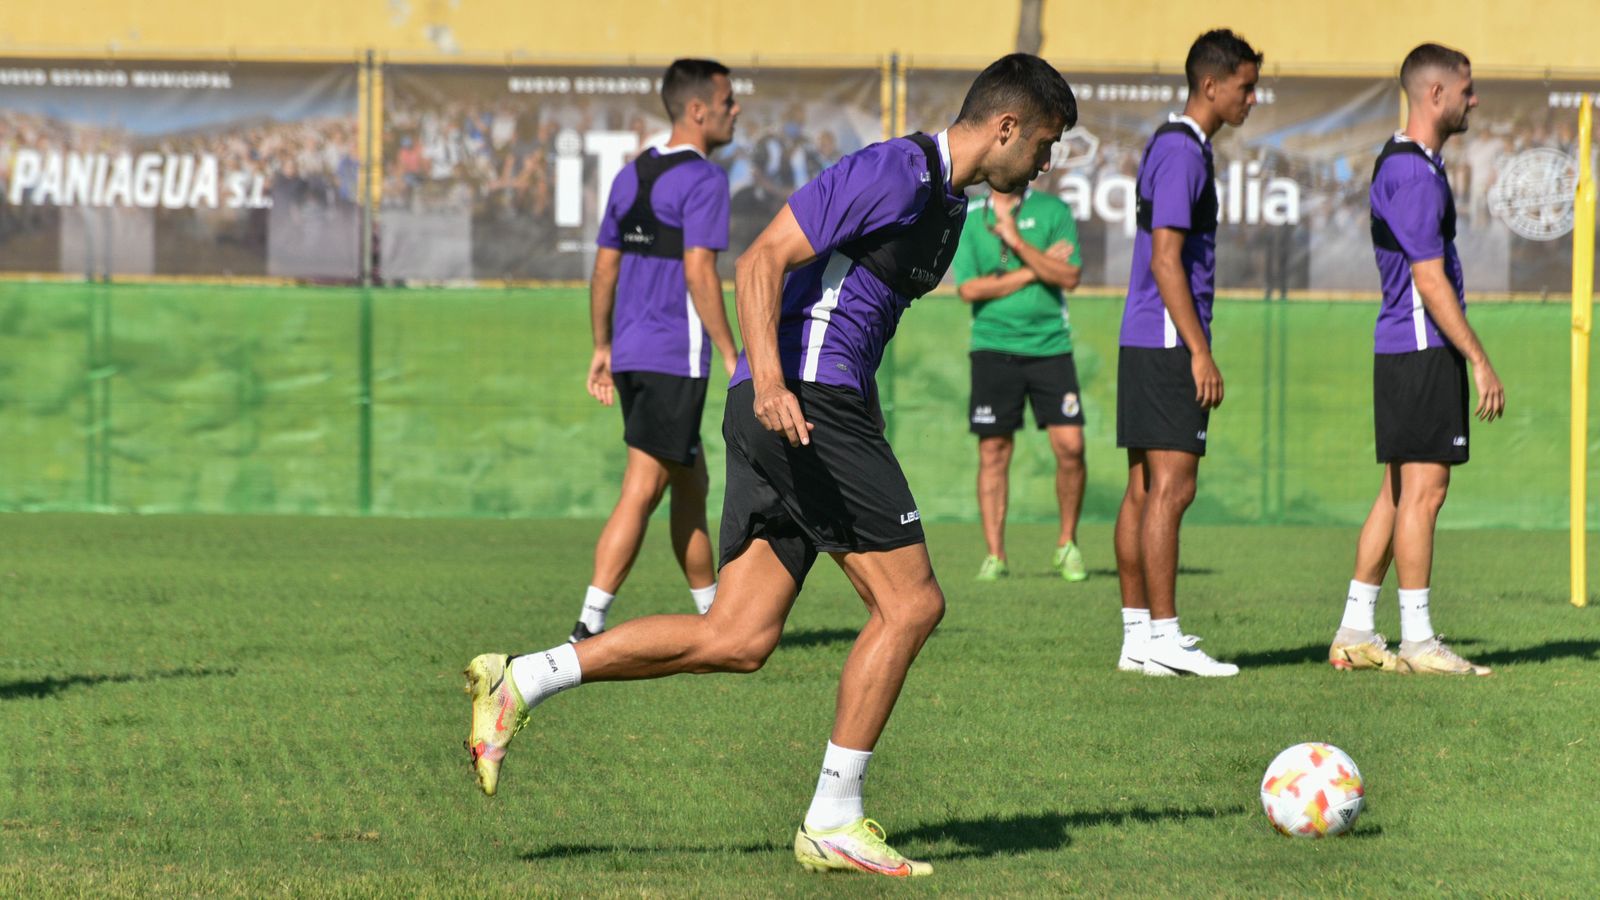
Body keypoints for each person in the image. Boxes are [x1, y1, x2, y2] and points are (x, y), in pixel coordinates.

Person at [464, 54, 1078, 878]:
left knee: (740, 635)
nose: (1046, 162)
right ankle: (834, 815)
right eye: (1043, 144)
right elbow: (760, 260)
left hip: (819, 403)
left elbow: (853, 304)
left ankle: (523, 680)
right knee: (911, 604)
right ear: (1005, 127)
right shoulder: (897, 169)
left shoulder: (952, 203)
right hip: (800, 405)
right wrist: (776, 383)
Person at [1327, 43, 1503, 676]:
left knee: (1398, 493)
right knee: (1425, 492)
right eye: (1466, 88)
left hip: (1411, 346)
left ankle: (1354, 630)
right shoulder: (1410, 170)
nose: (1472, 100)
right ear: (1436, 95)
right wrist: (1479, 359)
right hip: (1422, 346)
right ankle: (1420, 643)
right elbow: (1430, 281)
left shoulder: (1415, 165)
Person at [568, 59, 741, 643]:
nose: (735, 110)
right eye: (728, 101)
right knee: (644, 484)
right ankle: (586, 625)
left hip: (634, 354)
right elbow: (699, 270)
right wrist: (732, 353)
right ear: (698, 110)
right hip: (675, 355)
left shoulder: (631, 174)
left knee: (690, 482)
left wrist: (602, 347)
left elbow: (604, 267)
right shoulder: (706, 179)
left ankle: (716, 616)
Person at [1113, 30, 1261, 677]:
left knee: (1145, 490)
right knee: (1171, 488)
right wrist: (1200, 352)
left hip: (1144, 336)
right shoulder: (1184, 153)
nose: (1252, 98)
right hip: (1169, 340)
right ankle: (1165, 637)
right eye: (1245, 86)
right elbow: (1167, 258)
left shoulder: (1173, 145)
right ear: (1211, 84)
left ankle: (1139, 638)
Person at [951, 181, 1087, 582]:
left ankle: (1067, 545)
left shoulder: (1053, 210)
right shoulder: (971, 216)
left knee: (1071, 446)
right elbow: (969, 288)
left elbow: (1070, 276)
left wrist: (1018, 243)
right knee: (993, 450)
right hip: (992, 348)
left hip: (1051, 347)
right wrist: (1037, 267)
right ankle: (995, 555)